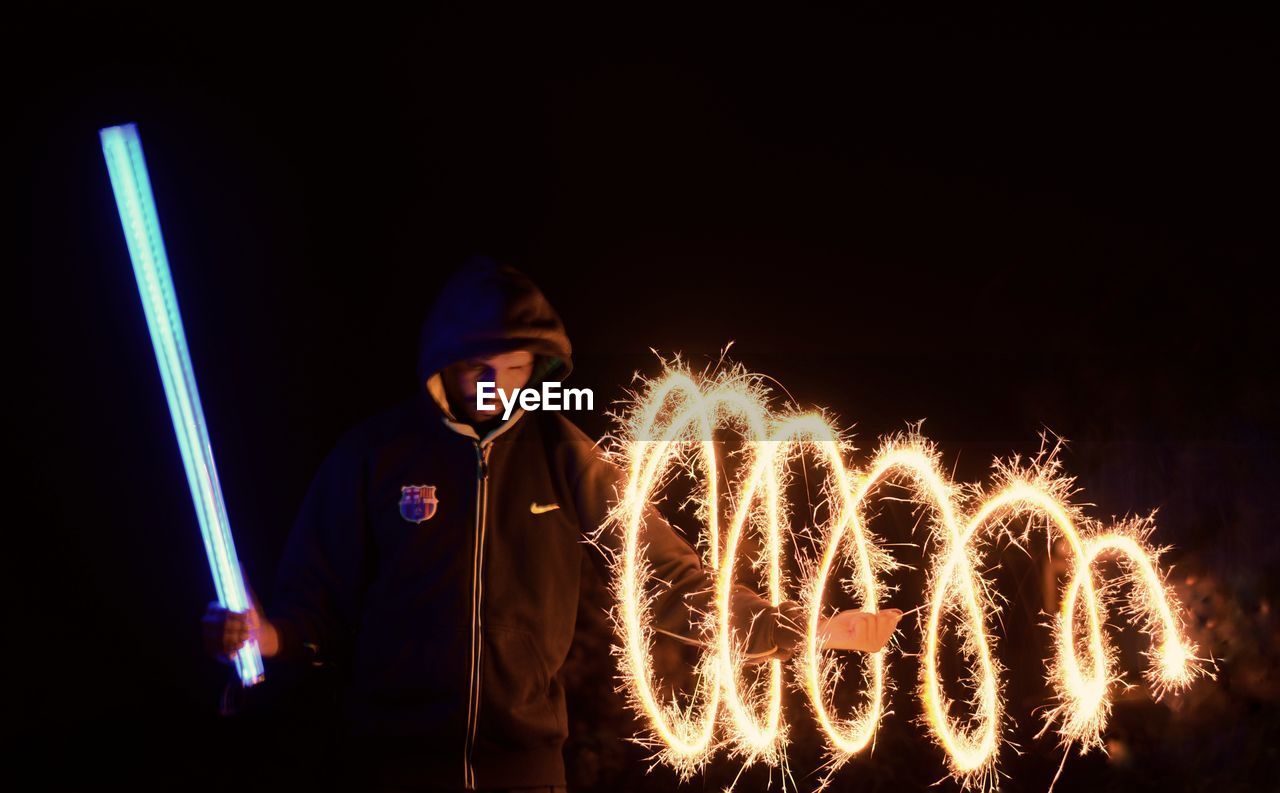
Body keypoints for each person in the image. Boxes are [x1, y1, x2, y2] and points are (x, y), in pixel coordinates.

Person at [203, 258, 903, 792]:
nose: (500, 386)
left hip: (527, 772)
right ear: (444, 361)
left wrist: (794, 628)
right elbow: (312, 603)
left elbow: (664, 576)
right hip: (393, 765)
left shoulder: (563, 453)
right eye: (483, 366)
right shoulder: (375, 455)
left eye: (516, 368)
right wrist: (265, 635)